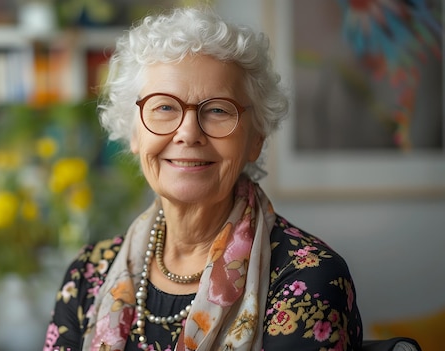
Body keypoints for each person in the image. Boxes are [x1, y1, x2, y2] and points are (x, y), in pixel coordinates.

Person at [43, 6, 362, 351]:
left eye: (217, 110)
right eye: (164, 107)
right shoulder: (88, 275)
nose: (188, 133)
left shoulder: (309, 277)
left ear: (256, 139)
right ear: (133, 134)